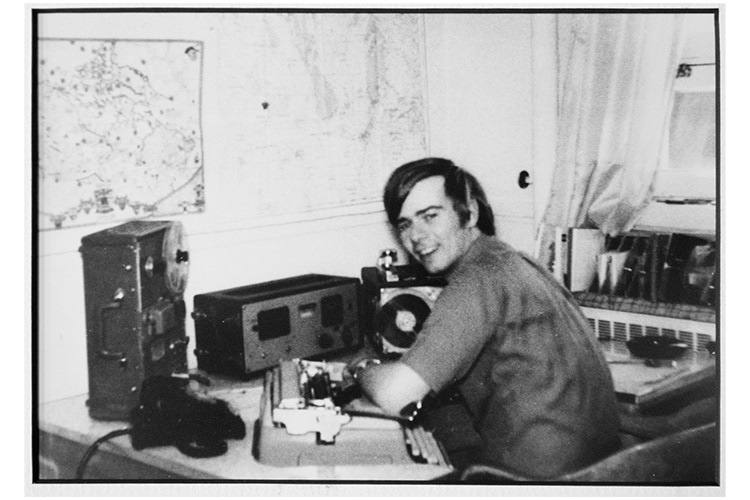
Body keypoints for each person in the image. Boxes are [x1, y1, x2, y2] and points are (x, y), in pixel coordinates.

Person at [356, 157, 621, 479]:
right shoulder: (515, 261)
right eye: (405, 224)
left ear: (469, 212)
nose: (417, 236)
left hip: (538, 481)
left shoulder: (478, 278)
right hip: (599, 469)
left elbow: (397, 396)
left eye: (430, 216)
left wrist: (363, 370)